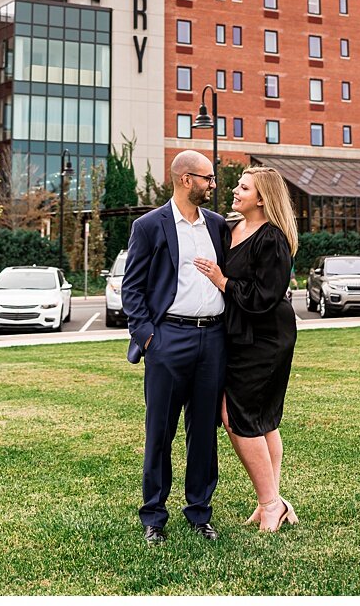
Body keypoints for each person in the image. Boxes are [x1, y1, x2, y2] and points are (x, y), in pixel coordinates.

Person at [121, 149, 228, 543]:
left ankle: (200, 513)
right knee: (160, 431)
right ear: (186, 179)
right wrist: (148, 336)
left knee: (203, 432)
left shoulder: (217, 226)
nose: (213, 185)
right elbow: (132, 287)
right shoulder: (150, 225)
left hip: (213, 339)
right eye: (207, 178)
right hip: (168, 340)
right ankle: (153, 516)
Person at [193, 166, 299, 533]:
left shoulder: (272, 239)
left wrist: (223, 281)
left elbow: (266, 297)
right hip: (238, 335)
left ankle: (271, 503)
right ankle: (272, 501)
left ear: (262, 198)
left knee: (238, 416)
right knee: (258, 419)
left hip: (267, 338)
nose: (234, 190)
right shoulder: (231, 228)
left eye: (243, 187)